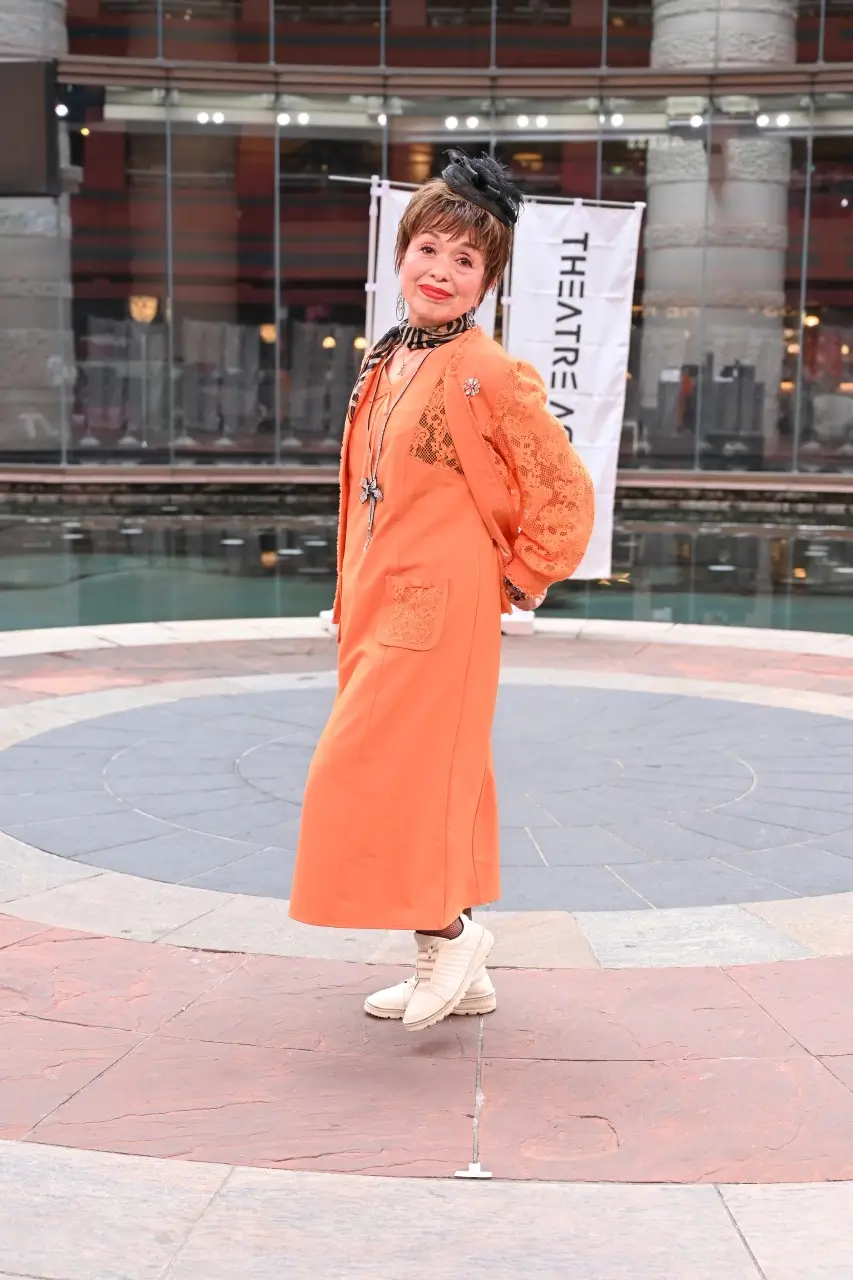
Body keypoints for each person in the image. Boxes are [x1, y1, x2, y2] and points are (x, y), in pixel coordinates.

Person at [290, 150, 595, 1032]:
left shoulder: (484, 370)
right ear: (402, 254)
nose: (440, 270)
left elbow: (564, 492)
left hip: (439, 606)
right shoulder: (390, 355)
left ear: (486, 281)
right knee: (433, 777)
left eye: (465, 259)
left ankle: (450, 934)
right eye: (428, 249)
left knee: (364, 774)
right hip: (379, 601)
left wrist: (520, 576)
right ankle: (458, 970)